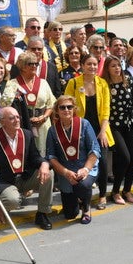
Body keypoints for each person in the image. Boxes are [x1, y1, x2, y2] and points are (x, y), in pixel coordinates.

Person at [0, 107, 54, 229]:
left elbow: (35, 157)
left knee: (49, 173)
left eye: (18, 117)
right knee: (13, 201)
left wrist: (44, 164)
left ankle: (42, 213)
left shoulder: (27, 134)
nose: (16, 120)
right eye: (12, 118)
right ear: (2, 122)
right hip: (6, 182)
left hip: (25, 177)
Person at [63, 53, 114, 209]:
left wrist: (103, 131)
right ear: (83, 66)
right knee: (82, 162)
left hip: (100, 129)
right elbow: (67, 104)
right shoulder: (73, 83)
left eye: (94, 64)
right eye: (88, 64)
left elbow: (106, 109)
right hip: (81, 129)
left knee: (103, 163)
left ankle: (103, 196)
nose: (92, 67)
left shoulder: (102, 83)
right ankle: (82, 197)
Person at [46, 95, 101, 225]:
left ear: (74, 109)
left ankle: (86, 208)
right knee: (70, 214)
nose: (66, 110)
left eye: (69, 107)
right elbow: (51, 157)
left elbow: (95, 150)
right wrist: (65, 172)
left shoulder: (84, 124)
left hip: (85, 168)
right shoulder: (52, 131)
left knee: (82, 184)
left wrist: (86, 169)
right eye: (62, 107)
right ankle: (78, 200)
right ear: (57, 110)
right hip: (66, 172)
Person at [103, 56, 133, 204]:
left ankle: (127, 190)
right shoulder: (105, 84)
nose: (117, 68)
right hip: (114, 125)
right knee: (124, 158)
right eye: (113, 66)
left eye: (118, 65)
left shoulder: (128, 80)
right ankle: (115, 191)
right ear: (107, 68)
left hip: (130, 123)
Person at [4, 51, 56, 155]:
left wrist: (44, 117)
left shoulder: (43, 82)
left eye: (36, 64)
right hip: (22, 125)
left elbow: (51, 104)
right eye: (30, 64)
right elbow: (6, 106)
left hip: (43, 125)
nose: (34, 66)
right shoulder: (12, 84)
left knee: (45, 154)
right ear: (22, 66)